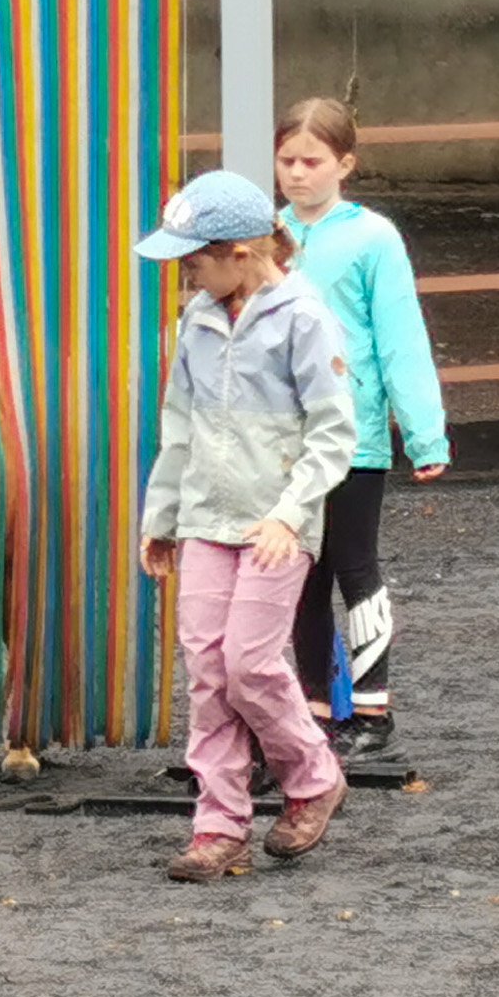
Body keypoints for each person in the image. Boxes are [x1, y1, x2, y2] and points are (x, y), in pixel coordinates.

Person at [137, 170, 358, 882]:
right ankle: (219, 824)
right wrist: (162, 517)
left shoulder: (304, 318)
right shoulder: (195, 323)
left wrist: (289, 515)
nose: (185, 274)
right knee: (207, 669)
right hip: (206, 517)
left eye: (193, 261)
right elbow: (179, 425)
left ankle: (313, 776)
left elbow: (333, 432)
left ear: (238, 252)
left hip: (277, 526)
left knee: (249, 663)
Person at [275, 96, 449, 758]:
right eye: (287, 160)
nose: (297, 173)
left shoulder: (374, 238)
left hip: (354, 436)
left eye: (311, 161)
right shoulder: (266, 236)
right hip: (284, 441)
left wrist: (424, 433)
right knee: (301, 574)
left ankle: (373, 714)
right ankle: (315, 710)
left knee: (355, 567)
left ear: (344, 164)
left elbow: (401, 337)